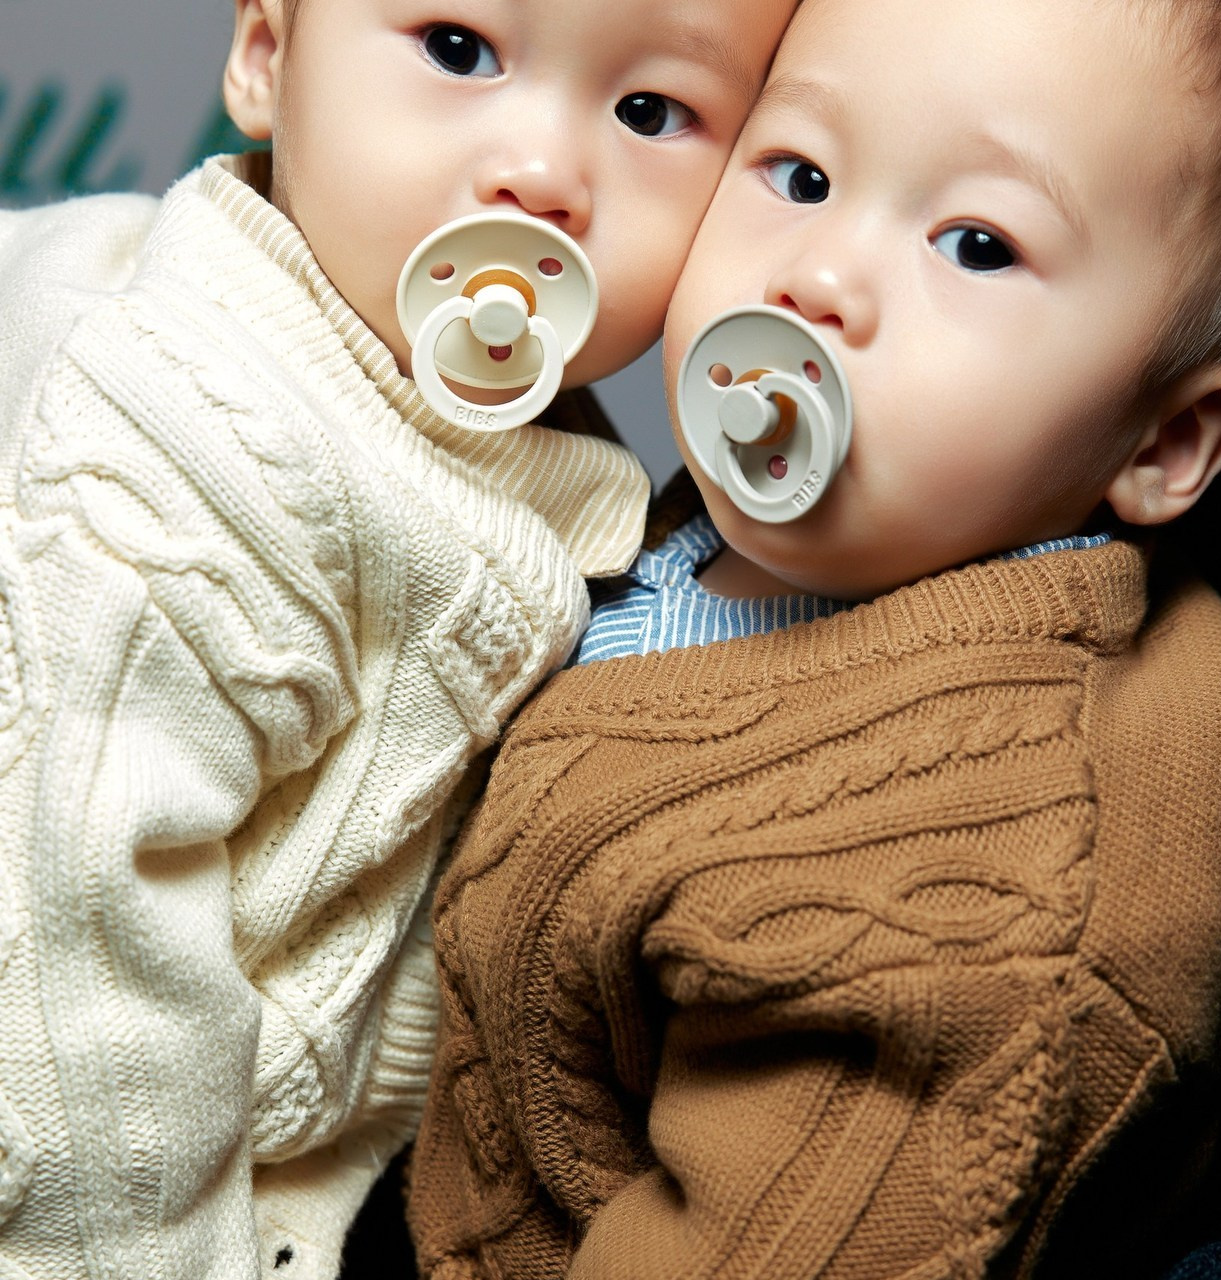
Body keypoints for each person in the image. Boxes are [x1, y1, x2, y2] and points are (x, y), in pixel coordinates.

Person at [404, 0, 1221, 1275]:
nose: (814, 275)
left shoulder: (1000, 885)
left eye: (975, 244)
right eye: (799, 174)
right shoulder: (702, 529)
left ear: (1165, 440)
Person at [0, 0, 797, 1276]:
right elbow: (65, 1010)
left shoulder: (505, 430)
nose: (540, 171)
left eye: (652, 114)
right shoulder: (181, 452)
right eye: (457, 47)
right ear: (266, 56)